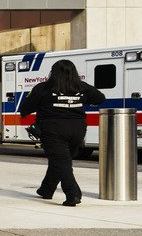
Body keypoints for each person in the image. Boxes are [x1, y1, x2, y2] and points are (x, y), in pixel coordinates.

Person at [27, 59, 105, 206]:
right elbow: (100, 98)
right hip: (78, 129)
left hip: (53, 129)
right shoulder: (82, 87)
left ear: (53, 72)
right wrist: (79, 101)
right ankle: (46, 189)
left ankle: (73, 194)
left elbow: (26, 107)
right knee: (61, 159)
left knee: (62, 161)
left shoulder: (43, 88)